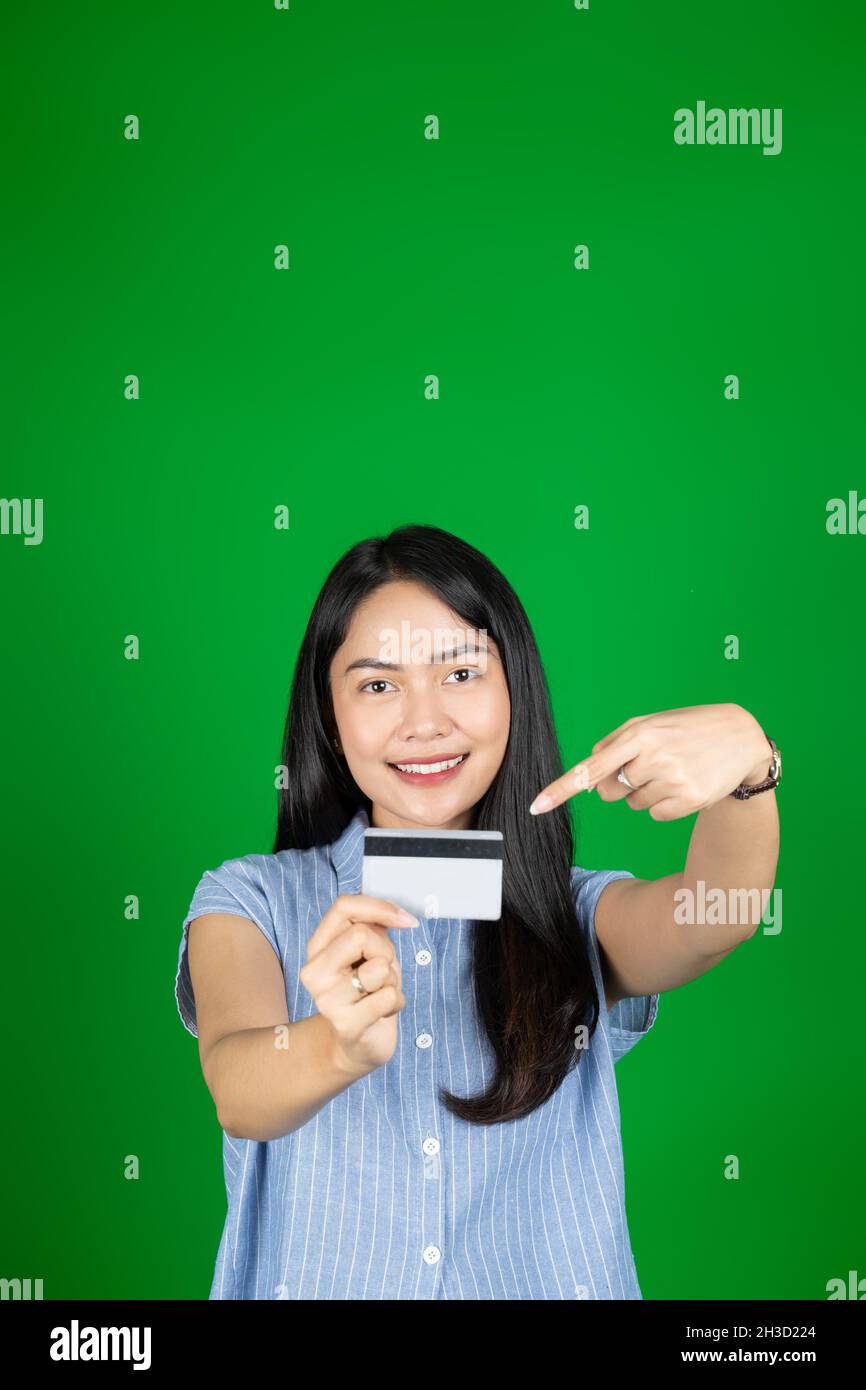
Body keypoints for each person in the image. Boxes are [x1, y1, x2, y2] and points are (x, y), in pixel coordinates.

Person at [173, 522, 780, 1300]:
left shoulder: (573, 913)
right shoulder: (249, 899)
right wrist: (335, 1047)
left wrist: (748, 766)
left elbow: (714, 916)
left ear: (513, 690)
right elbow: (238, 1087)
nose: (424, 722)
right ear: (329, 715)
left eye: (460, 674)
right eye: (378, 684)